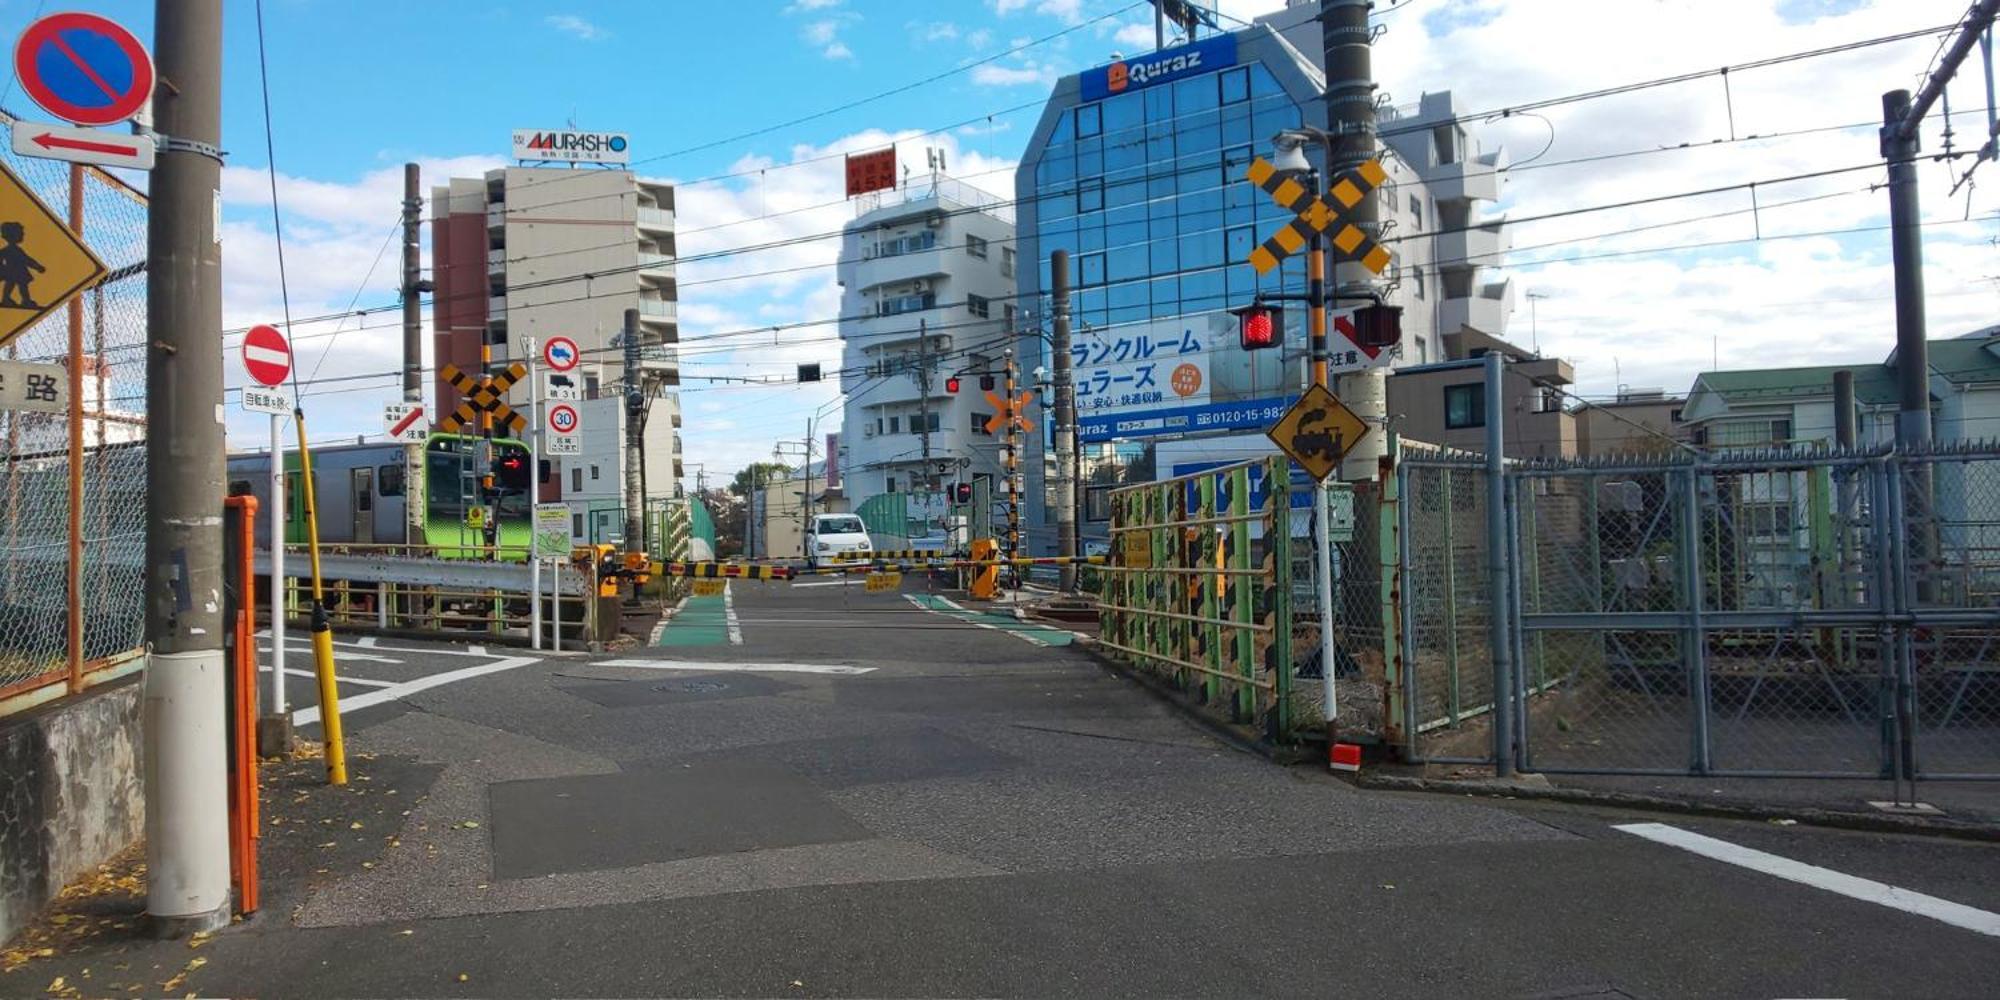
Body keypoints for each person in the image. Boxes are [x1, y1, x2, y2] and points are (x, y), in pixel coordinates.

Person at [0, 220, 45, 309]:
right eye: (21, 233)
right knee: (16, 285)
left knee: (17, 285)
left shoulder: (11, 250)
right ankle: (19, 300)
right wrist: (37, 267)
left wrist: (37, 266)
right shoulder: (11, 250)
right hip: (14, 271)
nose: (23, 235)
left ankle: (20, 300)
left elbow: (27, 260)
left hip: (17, 271)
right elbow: (27, 260)